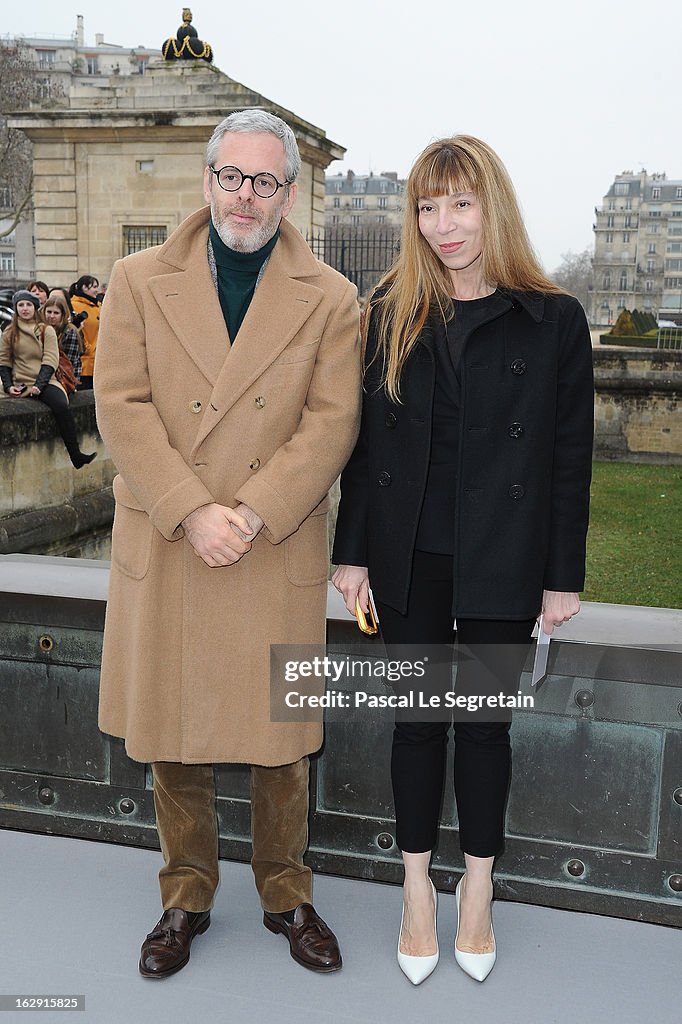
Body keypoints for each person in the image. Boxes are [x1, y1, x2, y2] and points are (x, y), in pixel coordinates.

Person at [94, 109, 361, 980]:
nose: (247, 197)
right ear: (208, 181)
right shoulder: (136, 279)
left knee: (281, 740)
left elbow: (333, 423)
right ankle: (186, 895)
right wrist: (192, 508)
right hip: (173, 536)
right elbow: (121, 407)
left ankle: (287, 893)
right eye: (233, 178)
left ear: (290, 192)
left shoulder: (331, 295)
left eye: (267, 181)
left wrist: (249, 509)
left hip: (269, 540)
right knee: (173, 734)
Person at [332, 135, 593, 985]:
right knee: (414, 725)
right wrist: (352, 556)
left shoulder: (552, 319)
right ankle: (416, 889)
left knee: (484, 730)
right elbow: (366, 448)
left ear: (494, 207)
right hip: (409, 556)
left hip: (502, 557)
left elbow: (567, 456)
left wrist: (562, 576)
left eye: (461, 204)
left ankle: (476, 891)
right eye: (427, 206)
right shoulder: (389, 309)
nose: (443, 225)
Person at [0, 290, 96, 468]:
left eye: (28, 305)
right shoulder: (9, 332)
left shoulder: (46, 329)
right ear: (16, 308)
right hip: (19, 381)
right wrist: (7, 386)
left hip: (45, 380)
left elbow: (50, 359)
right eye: (21, 305)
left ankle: (75, 455)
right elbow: (4, 361)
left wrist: (39, 385)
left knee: (61, 405)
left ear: (35, 308)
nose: (25, 309)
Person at [41, 292, 83, 383]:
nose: (52, 316)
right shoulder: (40, 328)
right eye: (49, 312)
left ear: (63, 315)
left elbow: (68, 363)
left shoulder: (69, 332)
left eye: (56, 313)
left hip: (65, 378)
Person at [70, 275, 101, 389]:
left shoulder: (98, 306)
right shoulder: (74, 305)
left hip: (98, 362)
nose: (96, 290)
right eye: (94, 286)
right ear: (84, 287)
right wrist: (87, 349)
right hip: (83, 363)